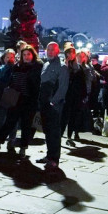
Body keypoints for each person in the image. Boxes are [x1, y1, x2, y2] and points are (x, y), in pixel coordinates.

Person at [0, 45, 42, 158]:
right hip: (15, 99)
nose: (26, 57)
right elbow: (10, 80)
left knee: (26, 126)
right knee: (9, 123)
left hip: (29, 100)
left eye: (28, 54)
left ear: (33, 55)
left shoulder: (37, 67)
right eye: (24, 55)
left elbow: (37, 85)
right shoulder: (17, 66)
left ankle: (23, 148)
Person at [38, 42, 69, 171]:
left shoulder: (62, 67)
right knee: (47, 131)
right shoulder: (45, 64)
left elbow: (62, 87)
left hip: (54, 105)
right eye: (48, 49)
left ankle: (54, 159)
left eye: (53, 50)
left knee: (55, 132)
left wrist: (53, 102)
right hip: (44, 103)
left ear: (57, 52)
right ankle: (49, 155)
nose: (50, 52)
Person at [61, 45, 86, 146]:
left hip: (76, 96)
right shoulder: (63, 65)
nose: (70, 55)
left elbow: (82, 82)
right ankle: (59, 135)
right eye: (68, 52)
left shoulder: (78, 66)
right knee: (63, 117)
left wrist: (84, 95)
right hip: (65, 95)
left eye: (72, 52)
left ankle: (69, 137)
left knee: (73, 117)